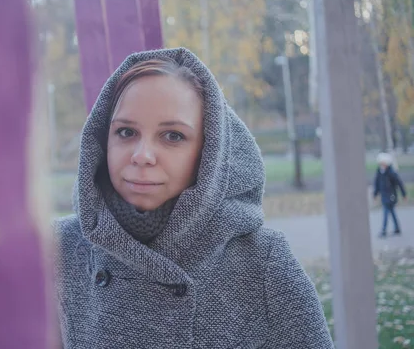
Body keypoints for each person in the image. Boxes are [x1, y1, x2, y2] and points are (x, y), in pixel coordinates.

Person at [53, 48, 333, 348]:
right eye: (126, 132)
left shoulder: (263, 260)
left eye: (172, 136)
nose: (142, 155)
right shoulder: (61, 249)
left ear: (208, 153)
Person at [374, 152, 407, 237]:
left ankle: (384, 230)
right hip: (384, 195)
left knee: (386, 212)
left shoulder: (391, 172)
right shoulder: (379, 172)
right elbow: (377, 183)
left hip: (391, 196)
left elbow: (399, 183)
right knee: (392, 212)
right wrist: (375, 193)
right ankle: (397, 228)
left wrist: (404, 194)